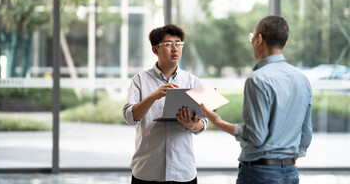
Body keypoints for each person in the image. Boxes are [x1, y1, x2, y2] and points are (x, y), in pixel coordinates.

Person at [201, 15, 312, 184]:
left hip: (260, 173)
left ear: (259, 39)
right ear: (284, 43)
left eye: (251, 37)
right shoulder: (302, 79)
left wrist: (217, 121)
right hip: (290, 172)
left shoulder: (257, 79)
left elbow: (256, 136)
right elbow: (306, 135)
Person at [123, 24, 208, 184]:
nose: (175, 49)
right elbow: (130, 117)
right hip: (147, 171)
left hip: (183, 171)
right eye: (168, 44)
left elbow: (203, 124)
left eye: (179, 43)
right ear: (155, 50)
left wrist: (192, 124)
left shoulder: (192, 81)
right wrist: (154, 96)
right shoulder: (140, 80)